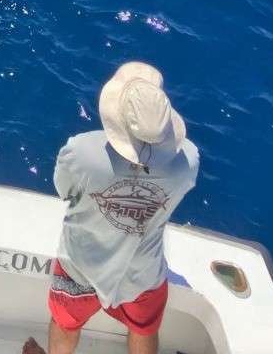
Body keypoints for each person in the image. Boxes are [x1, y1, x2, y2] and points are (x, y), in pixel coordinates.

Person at [24, 62, 199, 354]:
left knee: (66, 324)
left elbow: (63, 189)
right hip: (143, 274)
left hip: (81, 267)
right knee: (144, 329)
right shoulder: (188, 160)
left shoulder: (80, 151)